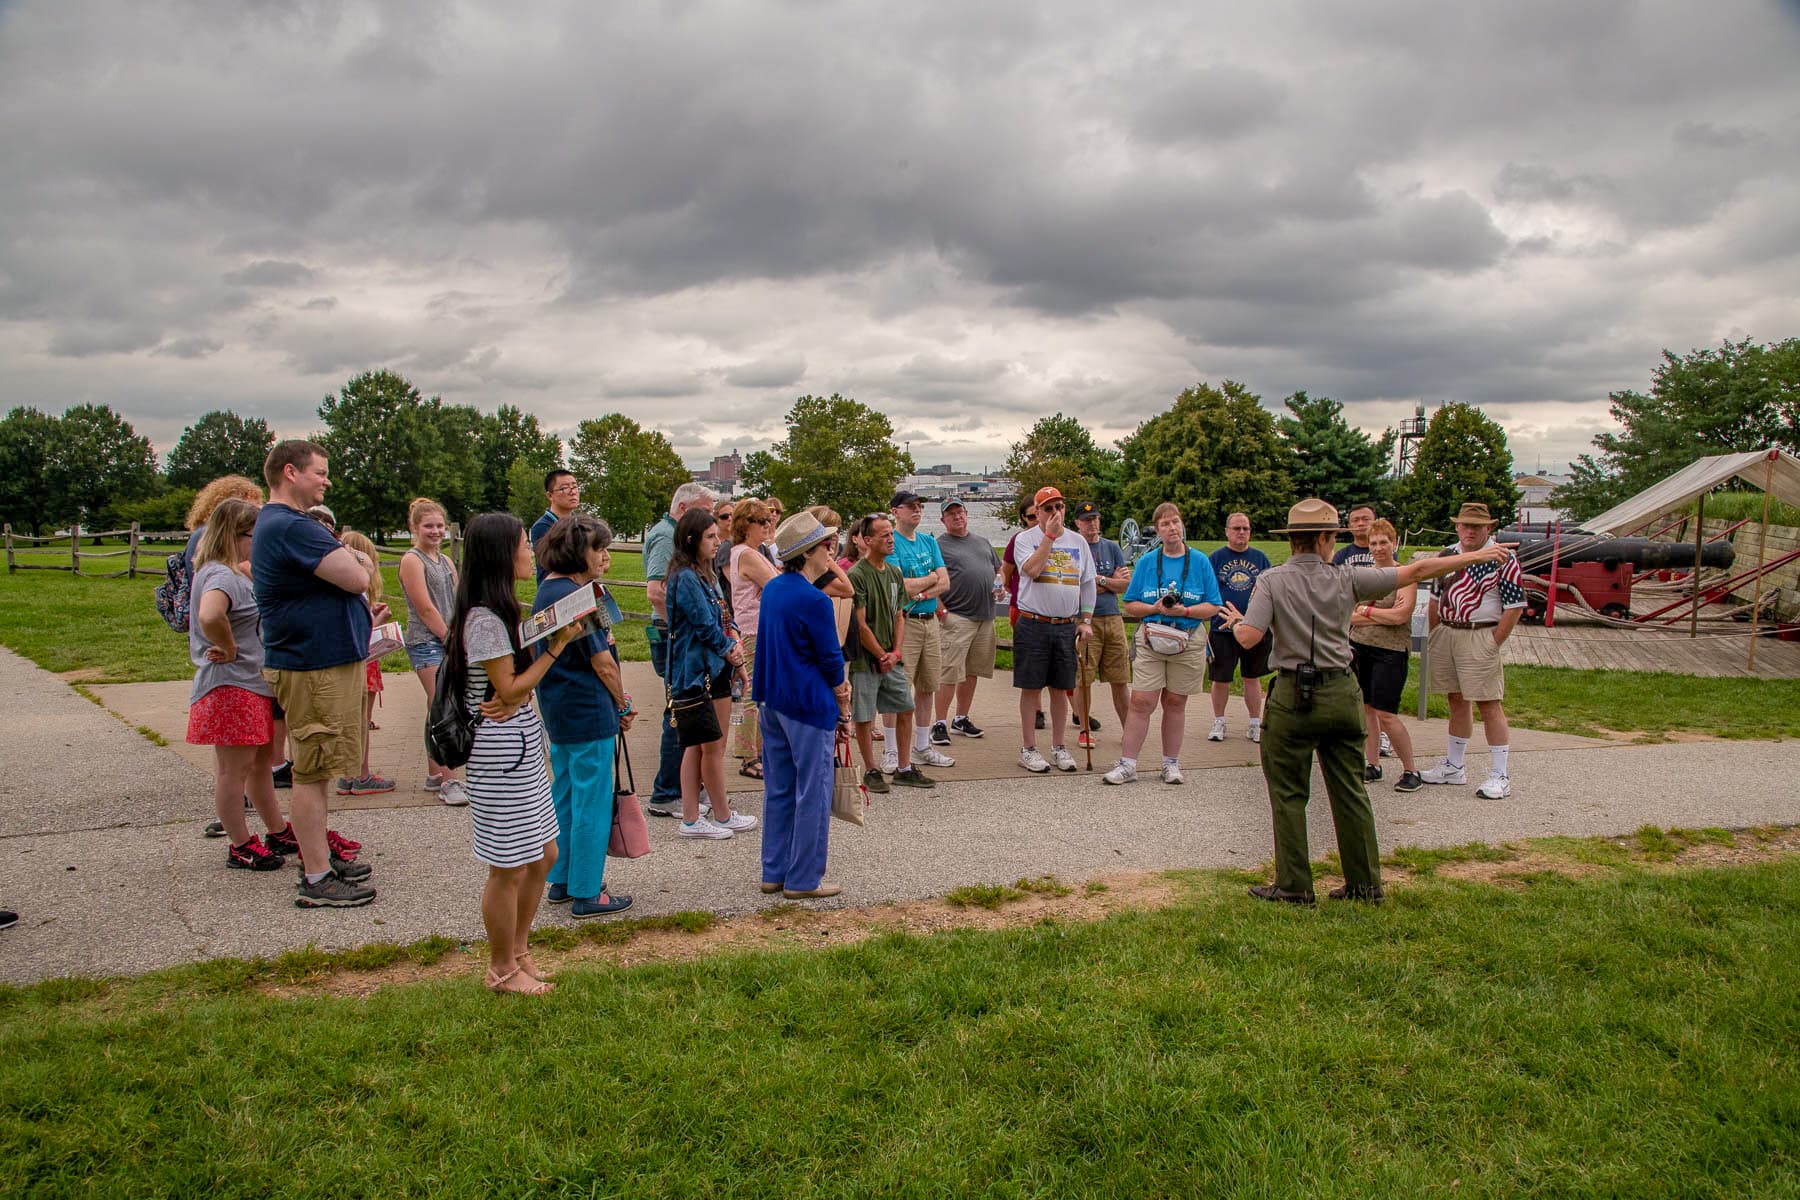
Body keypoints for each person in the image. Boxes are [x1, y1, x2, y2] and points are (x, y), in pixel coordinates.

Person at [1224, 499, 1513, 904]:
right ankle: (1364, 885)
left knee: (1288, 793)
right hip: (1341, 690)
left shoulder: (1271, 580)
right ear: (1325, 539)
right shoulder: (1349, 577)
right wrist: (1476, 555)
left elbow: (1250, 637)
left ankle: (1293, 886)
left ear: (1292, 541)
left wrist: (1238, 621)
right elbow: (1417, 571)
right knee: (1350, 790)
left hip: (1291, 694)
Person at [443, 513, 585, 993]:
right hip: (499, 752)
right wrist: (557, 646)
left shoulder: (501, 612)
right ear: (501, 554)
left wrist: (520, 690)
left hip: (521, 744)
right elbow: (508, 689)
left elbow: (513, 691)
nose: (531, 552)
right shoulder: (484, 620)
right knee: (507, 865)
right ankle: (500, 968)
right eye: (524, 544)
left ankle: (519, 949)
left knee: (544, 853)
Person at [251, 440, 375, 908]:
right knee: (312, 770)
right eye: (320, 472)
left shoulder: (287, 524)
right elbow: (358, 576)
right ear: (290, 472)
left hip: (318, 664)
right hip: (312, 667)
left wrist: (349, 558)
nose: (327, 480)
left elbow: (352, 568)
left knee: (317, 770)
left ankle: (318, 857)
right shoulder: (291, 525)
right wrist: (354, 558)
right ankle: (317, 877)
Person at [533, 514, 635, 919]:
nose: (605, 556)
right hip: (588, 708)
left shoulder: (548, 588)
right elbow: (603, 661)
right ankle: (588, 889)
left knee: (566, 794)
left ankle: (562, 877)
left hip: (559, 708)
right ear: (578, 552)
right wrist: (622, 703)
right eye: (599, 549)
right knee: (593, 800)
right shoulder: (578, 597)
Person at [183, 473, 291, 833]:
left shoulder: (233, 572)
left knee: (259, 766)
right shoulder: (221, 575)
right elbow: (210, 614)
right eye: (253, 536)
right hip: (232, 686)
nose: (257, 543)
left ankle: (277, 830)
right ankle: (241, 844)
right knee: (234, 771)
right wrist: (228, 647)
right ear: (234, 535)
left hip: (248, 683)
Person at [755, 513, 852, 900]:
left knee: (779, 788)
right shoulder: (815, 599)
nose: (831, 551)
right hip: (807, 702)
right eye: (825, 545)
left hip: (772, 698)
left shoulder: (774, 588)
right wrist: (842, 699)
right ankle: (804, 878)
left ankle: (774, 870)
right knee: (813, 790)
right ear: (809, 552)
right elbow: (830, 658)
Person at [1102, 502, 1223, 786]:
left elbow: (1213, 605)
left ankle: (1171, 763)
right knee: (1141, 701)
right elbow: (1130, 603)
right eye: (1165, 524)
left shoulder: (1200, 561)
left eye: (1175, 522)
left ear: (1182, 525)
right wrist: (1154, 607)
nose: (1172, 528)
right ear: (1157, 530)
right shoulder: (1147, 562)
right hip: (1151, 637)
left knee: (1175, 702)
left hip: (1188, 637)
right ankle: (1128, 764)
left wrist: (1186, 611)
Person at [1420, 502, 1528, 800]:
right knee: (1456, 699)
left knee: (1488, 703)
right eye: (1465, 525)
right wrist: (1434, 631)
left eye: (1476, 526)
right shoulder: (1447, 555)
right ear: (1457, 526)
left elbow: (1515, 606)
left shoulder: (1503, 558)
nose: (1469, 531)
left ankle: (1500, 774)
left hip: (1480, 632)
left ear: (1488, 528)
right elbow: (1435, 597)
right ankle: (1454, 766)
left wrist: (1493, 641)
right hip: (1448, 631)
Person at [666, 508, 759, 838]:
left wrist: (735, 646)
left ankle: (705, 816)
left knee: (706, 746)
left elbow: (725, 617)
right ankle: (707, 816)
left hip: (715, 668)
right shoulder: (686, 578)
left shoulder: (706, 574)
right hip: (697, 672)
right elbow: (705, 627)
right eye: (710, 537)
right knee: (707, 746)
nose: (716, 542)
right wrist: (733, 652)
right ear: (691, 540)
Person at [1010, 487, 1096, 773]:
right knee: (1031, 687)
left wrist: (1086, 619)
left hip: (1064, 624)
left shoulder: (1078, 541)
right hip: (1033, 621)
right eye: (1048, 508)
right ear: (1037, 512)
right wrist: (1049, 536)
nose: (1055, 513)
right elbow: (1032, 570)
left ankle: (1059, 746)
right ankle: (1029, 747)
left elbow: (1087, 582)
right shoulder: (1025, 539)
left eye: (1059, 507)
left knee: (1061, 688)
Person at [644, 482, 716, 818]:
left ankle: (684, 787)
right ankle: (667, 792)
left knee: (685, 711)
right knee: (678, 712)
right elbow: (656, 591)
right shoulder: (665, 537)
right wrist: (681, 627)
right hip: (674, 636)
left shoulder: (673, 535)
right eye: (706, 511)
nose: (711, 518)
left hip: (679, 635)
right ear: (684, 509)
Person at [848, 514, 933, 790]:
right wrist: (879, 654)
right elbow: (860, 624)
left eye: (891, 533)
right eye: (883, 534)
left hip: (892, 659)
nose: (890, 539)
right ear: (867, 540)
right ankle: (871, 769)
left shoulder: (895, 573)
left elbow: (899, 615)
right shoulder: (857, 575)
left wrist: (895, 652)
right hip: (865, 661)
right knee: (864, 716)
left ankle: (904, 767)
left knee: (905, 708)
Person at [398, 496, 466, 805]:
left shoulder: (446, 560)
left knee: (437, 705)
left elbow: (456, 598)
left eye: (440, 525)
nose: (436, 531)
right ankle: (449, 779)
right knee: (444, 706)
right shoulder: (413, 560)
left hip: (447, 637)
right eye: (429, 526)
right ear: (414, 527)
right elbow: (425, 608)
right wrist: (448, 638)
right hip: (427, 640)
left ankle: (435, 772)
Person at [884, 491, 956, 773]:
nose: (917, 510)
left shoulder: (928, 541)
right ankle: (891, 749)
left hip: (930, 620)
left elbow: (945, 582)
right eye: (910, 506)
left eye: (919, 506)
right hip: (906, 621)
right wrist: (930, 580)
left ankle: (922, 745)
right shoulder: (891, 542)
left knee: (927, 686)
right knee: (898, 687)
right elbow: (900, 585)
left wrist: (922, 589)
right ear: (895, 511)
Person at [1350, 519, 1422, 792]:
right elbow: (1349, 615)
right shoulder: (1363, 576)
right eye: (1374, 543)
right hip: (1360, 646)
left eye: (1383, 542)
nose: (1379, 548)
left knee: (1386, 713)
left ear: (1394, 543)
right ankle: (1372, 763)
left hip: (1391, 651)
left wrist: (1367, 611)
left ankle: (1410, 769)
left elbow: (1400, 615)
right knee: (1366, 708)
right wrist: (1379, 614)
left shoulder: (1404, 576)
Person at [930, 498, 1000, 744]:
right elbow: (931, 581)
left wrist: (999, 585)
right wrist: (942, 612)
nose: (957, 516)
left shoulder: (982, 542)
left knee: (972, 671)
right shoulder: (938, 546)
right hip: (957, 617)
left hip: (985, 617)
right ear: (943, 520)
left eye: (960, 512)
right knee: (949, 672)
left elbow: (998, 570)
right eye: (951, 514)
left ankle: (961, 718)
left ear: (966, 514)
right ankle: (939, 722)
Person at [333, 530, 396, 799]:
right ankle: (362, 775)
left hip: (343, 661)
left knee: (349, 721)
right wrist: (378, 622)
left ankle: (346, 774)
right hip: (363, 659)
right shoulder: (356, 591)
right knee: (361, 722)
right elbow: (359, 631)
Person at [1208, 512, 1272, 744]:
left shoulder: (1260, 558)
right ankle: (1219, 721)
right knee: (1221, 678)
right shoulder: (1216, 558)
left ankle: (1255, 723)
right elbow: (1209, 590)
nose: (1241, 532)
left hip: (1254, 627)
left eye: (1245, 528)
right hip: (1222, 628)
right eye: (1236, 528)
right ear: (1227, 531)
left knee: (1252, 677)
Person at [1073, 500, 1131, 746]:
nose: (1092, 524)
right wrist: (1107, 582)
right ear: (1077, 523)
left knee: (1120, 678)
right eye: (1087, 520)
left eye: (1095, 519)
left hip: (1113, 617)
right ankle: (1084, 729)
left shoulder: (1111, 547)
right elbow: (1077, 587)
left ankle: (1129, 730)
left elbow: (1125, 584)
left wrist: (1100, 581)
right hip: (1087, 619)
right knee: (1084, 677)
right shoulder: (1074, 548)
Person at [728, 499, 777, 780]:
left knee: (758, 693)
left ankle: (755, 751)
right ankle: (748, 755)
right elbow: (776, 584)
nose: (768, 525)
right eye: (762, 521)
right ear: (746, 525)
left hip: (757, 627)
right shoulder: (747, 553)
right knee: (752, 693)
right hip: (754, 630)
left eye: (769, 520)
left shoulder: (752, 552)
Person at [530, 469, 582, 581]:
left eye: (574, 487)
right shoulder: (543, 527)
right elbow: (549, 568)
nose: (573, 492)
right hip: (557, 588)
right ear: (550, 495)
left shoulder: (579, 523)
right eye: (564, 488)